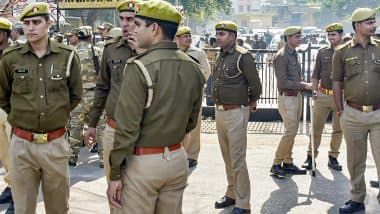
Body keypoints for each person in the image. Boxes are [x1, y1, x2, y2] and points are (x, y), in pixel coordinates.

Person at [107, 0, 205, 213]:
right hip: (177, 158)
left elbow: (127, 129)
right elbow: (191, 121)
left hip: (143, 162)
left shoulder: (139, 66)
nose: (133, 27)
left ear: (154, 29)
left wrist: (115, 173)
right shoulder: (193, 66)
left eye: (138, 24)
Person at [0, 2, 81, 213]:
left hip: (55, 144)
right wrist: (23, 116)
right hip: (22, 146)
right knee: (23, 208)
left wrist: (54, 115)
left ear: (48, 24)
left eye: (36, 22)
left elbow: (75, 95)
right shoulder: (10, 58)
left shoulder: (68, 55)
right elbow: (3, 97)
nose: (31, 28)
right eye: (26, 23)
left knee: (58, 207)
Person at [332, 8, 380, 213]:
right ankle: (357, 198)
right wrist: (341, 111)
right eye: (369, 22)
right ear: (357, 26)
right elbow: (336, 82)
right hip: (352, 113)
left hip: (379, 113)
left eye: (374, 21)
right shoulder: (342, 52)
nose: (374, 25)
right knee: (355, 160)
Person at [86, 0, 139, 185]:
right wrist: (92, 123)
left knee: (140, 189)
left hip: (144, 132)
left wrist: (139, 51)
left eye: (131, 19)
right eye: (122, 19)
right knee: (114, 188)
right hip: (113, 128)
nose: (125, 24)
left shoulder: (154, 50)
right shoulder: (111, 49)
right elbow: (102, 87)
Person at [212, 21, 262, 214]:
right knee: (227, 157)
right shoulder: (221, 56)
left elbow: (256, 86)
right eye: (217, 34)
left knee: (238, 159)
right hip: (220, 112)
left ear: (233, 36)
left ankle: (243, 203)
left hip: (236, 112)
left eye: (222, 34)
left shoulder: (243, 56)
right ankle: (231, 193)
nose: (218, 37)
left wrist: (247, 103)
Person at [270, 26, 312, 178]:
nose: (300, 39)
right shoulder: (281, 56)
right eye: (297, 36)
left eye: (300, 36)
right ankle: (276, 163)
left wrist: (304, 85)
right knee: (290, 132)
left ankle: (287, 162)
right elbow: (283, 82)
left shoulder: (294, 54)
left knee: (292, 131)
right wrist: (304, 85)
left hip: (296, 96)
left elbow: (294, 79)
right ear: (288, 38)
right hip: (287, 97)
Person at [301, 23, 344, 171]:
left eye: (334, 34)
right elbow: (315, 74)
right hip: (323, 95)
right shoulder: (322, 52)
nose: (331, 37)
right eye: (329, 35)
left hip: (342, 97)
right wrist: (314, 91)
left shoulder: (348, 52)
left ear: (341, 35)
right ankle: (310, 157)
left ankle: (333, 157)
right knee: (316, 128)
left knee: (338, 129)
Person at [68, 26, 104, 167]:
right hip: (96, 96)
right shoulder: (98, 51)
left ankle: (72, 157)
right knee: (101, 127)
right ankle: (102, 158)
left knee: (75, 126)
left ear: (78, 36)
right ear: (90, 37)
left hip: (78, 97)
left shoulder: (71, 53)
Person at [175, 26, 211, 168]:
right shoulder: (173, 52)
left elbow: (206, 71)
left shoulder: (198, 53)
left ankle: (192, 155)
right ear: (177, 38)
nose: (188, 39)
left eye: (189, 36)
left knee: (194, 125)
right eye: (185, 36)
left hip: (193, 95)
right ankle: (180, 153)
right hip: (177, 95)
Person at [0, 17, 14, 214]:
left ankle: (20, 196)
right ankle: (11, 186)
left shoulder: (16, 54)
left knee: (16, 153)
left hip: (13, 110)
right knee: (4, 154)